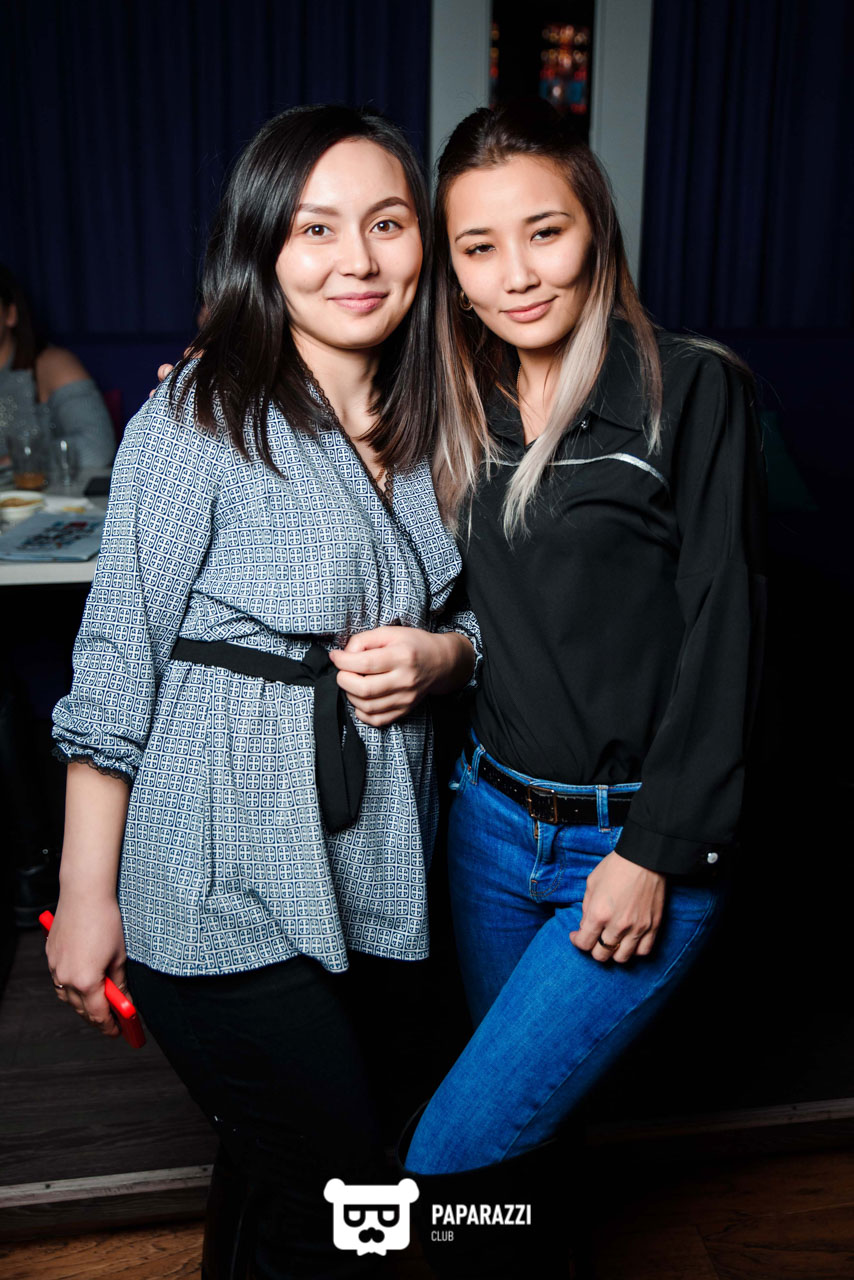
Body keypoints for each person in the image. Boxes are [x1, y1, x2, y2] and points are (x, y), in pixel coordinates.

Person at [333, 100, 766, 1277]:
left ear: (595, 230)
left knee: (450, 1151)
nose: (515, 275)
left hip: (624, 846)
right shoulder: (452, 397)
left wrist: (655, 850)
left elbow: (726, 631)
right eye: (478, 246)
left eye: (544, 232)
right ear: (450, 265)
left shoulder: (688, 388)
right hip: (484, 826)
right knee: (524, 1135)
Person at [47, 104, 480, 1280]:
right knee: (350, 1201)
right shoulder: (199, 413)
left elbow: (501, 613)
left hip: (379, 862)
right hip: (218, 860)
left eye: (386, 222)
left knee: (285, 1169)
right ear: (262, 247)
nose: (357, 259)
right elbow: (117, 656)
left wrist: (444, 655)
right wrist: (85, 895)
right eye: (314, 228)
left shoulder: (448, 417)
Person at [0, 264, 116, 468]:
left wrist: (17, 460)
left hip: (46, 489)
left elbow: (97, 448)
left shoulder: (51, 364)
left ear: (10, 314)